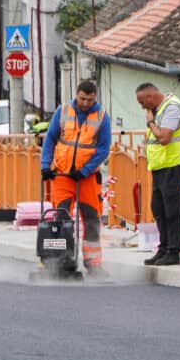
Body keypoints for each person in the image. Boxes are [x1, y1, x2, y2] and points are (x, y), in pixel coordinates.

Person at [40, 80, 113, 276]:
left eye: (90, 100)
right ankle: (61, 259)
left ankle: (93, 263)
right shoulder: (63, 111)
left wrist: (85, 170)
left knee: (91, 219)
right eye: (82, 98)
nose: (86, 103)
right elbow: (50, 139)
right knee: (60, 218)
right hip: (63, 175)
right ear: (77, 95)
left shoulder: (102, 117)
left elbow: (103, 149)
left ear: (95, 97)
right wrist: (45, 165)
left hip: (87, 178)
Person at [136, 82, 180, 266]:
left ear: (150, 97)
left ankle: (173, 251)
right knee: (158, 209)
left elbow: (165, 138)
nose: (142, 106)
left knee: (172, 211)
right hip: (160, 167)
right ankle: (163, 248)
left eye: (142, 102)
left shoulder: (172, 108)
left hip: (174, 165)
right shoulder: (159, 110)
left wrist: (150, 122)